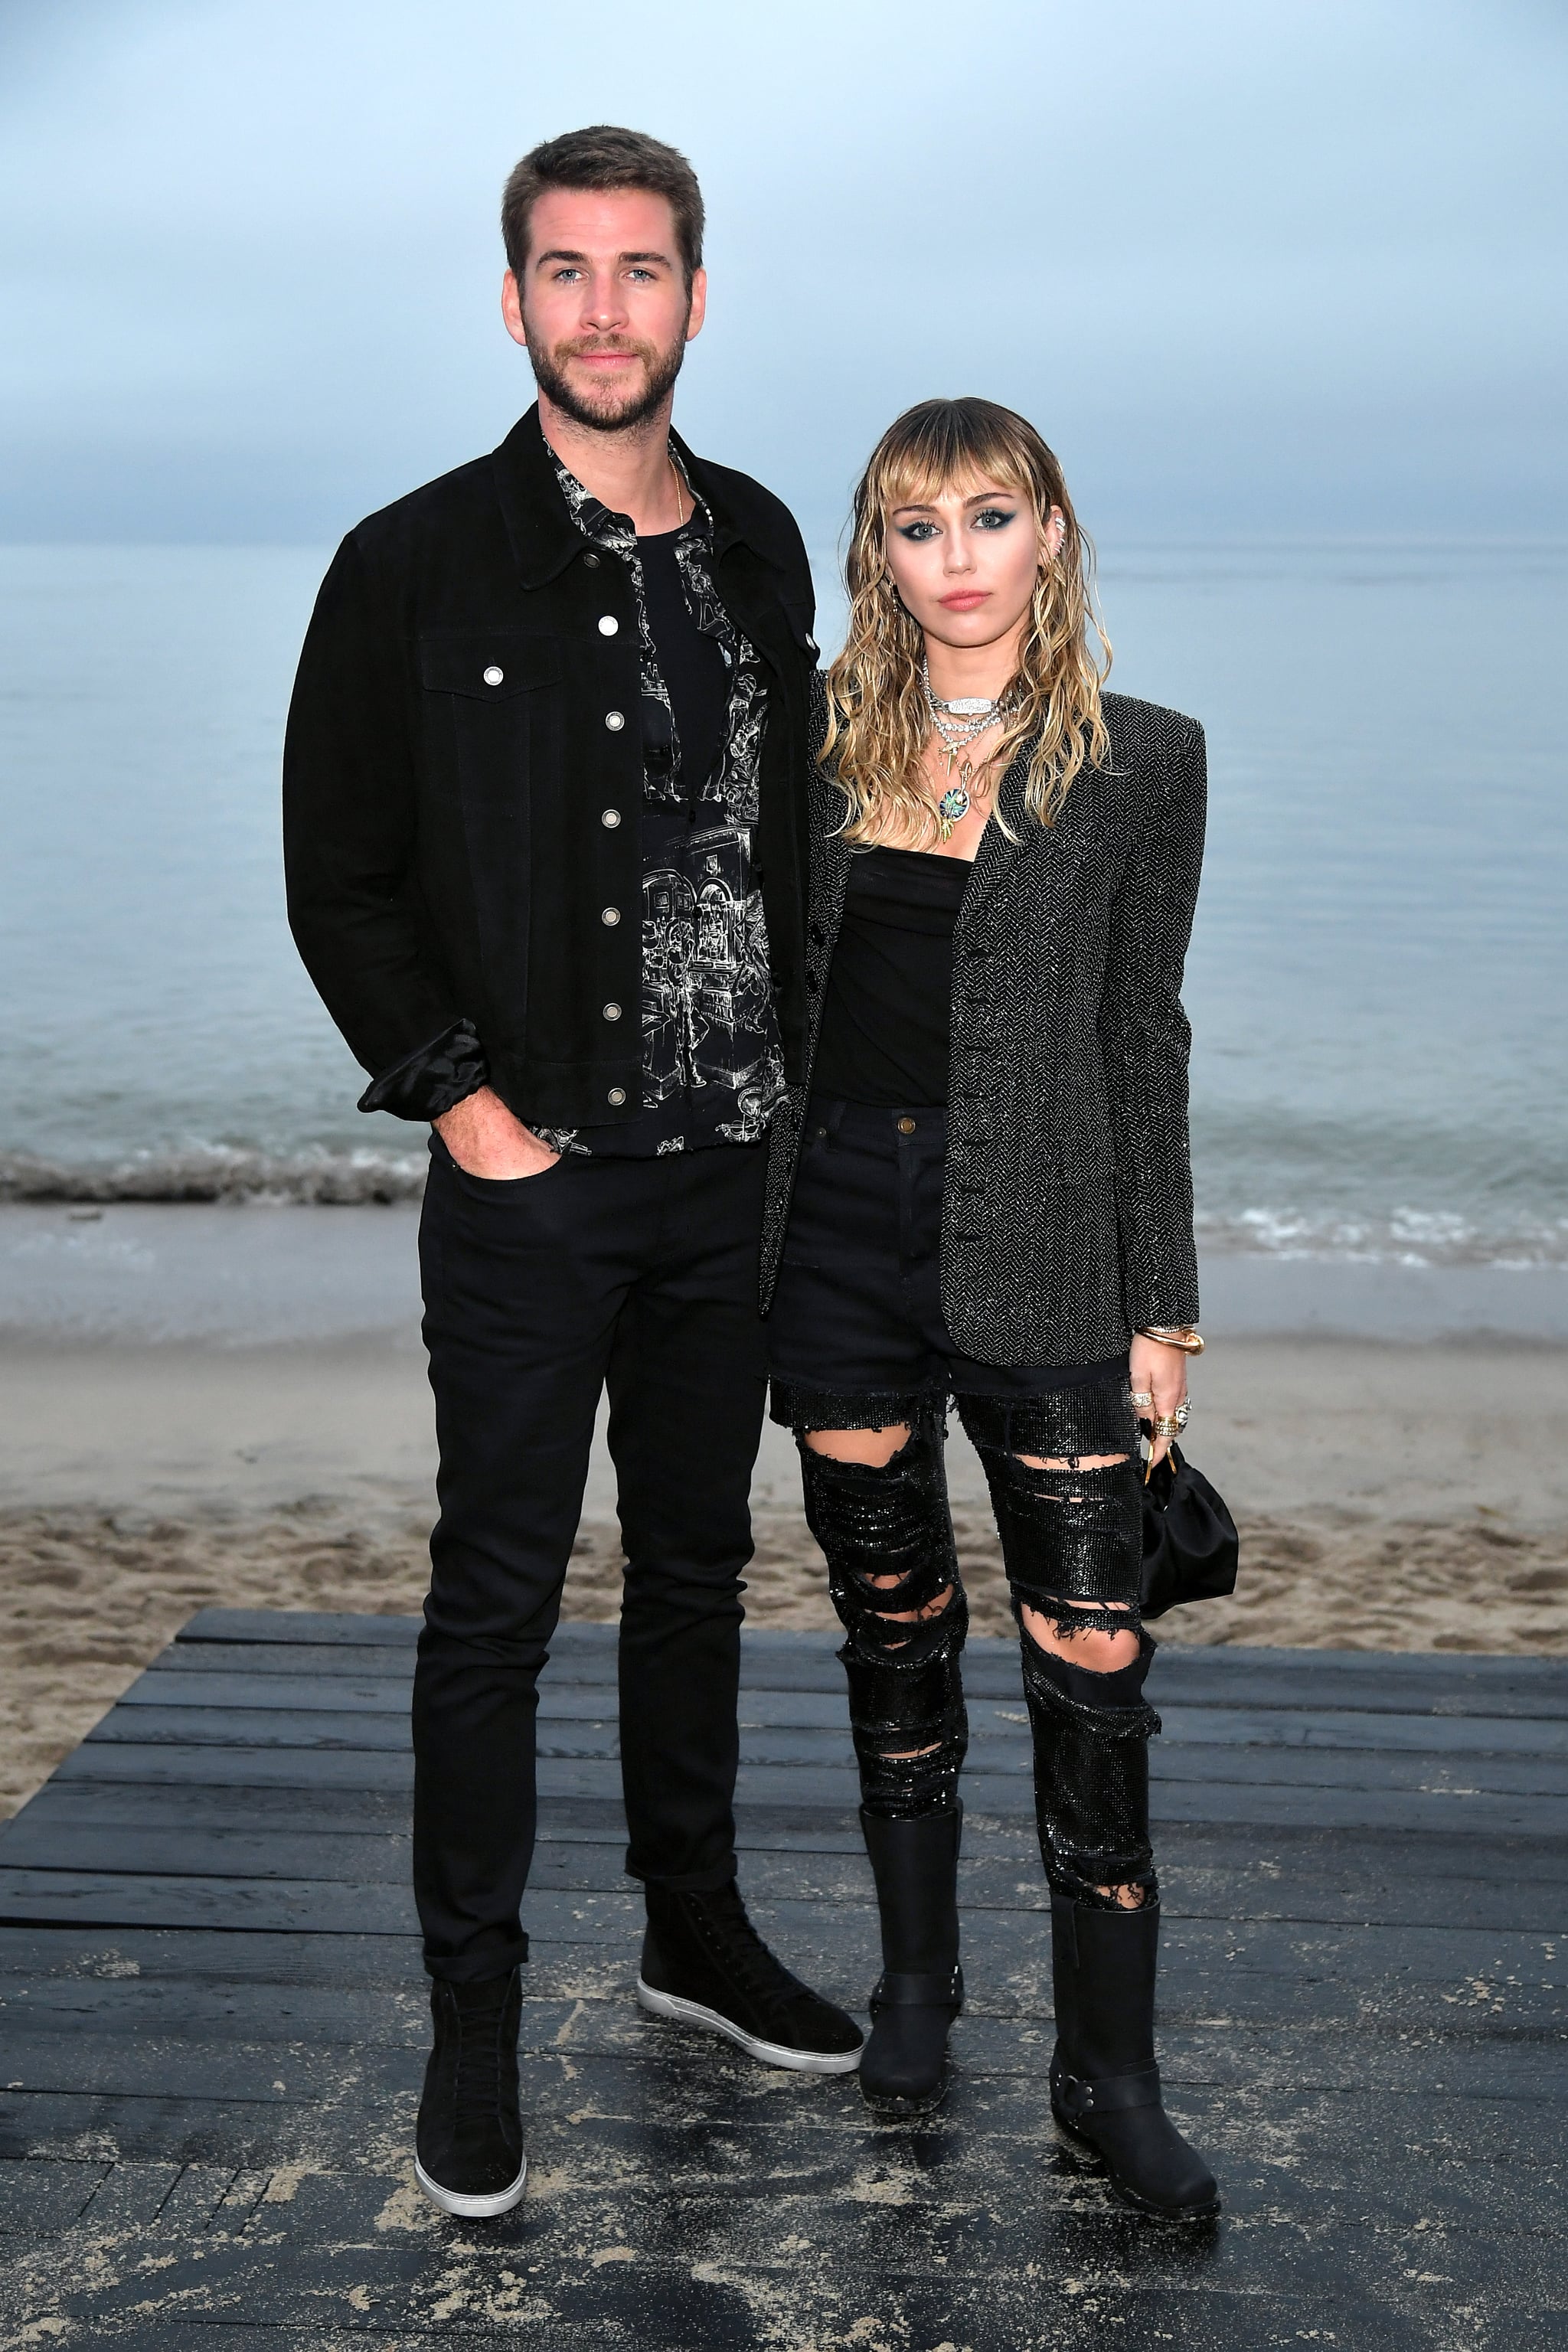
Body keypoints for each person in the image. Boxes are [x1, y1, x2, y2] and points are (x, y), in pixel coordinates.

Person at [283, 126, 862, 2223]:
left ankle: (695, 1936)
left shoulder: (777, 545)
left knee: (700, 1577)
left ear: (697, 299)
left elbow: (801, 839)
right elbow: (339, 877)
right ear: (512, 299)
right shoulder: (411, 562)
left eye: (643, 271)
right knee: (496, 1607)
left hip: (737, 1180)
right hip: (536, 1184)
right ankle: (472, 2026)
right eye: (566, 270)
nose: (605, 309)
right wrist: (468, 1112)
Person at [761, 397, 1219, 2218]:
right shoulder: (804, 743)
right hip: (832, 1250)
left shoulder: (1144, 761)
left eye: (986, 517)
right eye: (911, 525)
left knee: (1091, 1666)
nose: (952, 558)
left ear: (1050, 534)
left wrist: (1161, 1305)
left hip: (1042, 1251)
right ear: (876, 553)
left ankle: (1108, 2081)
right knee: (892, 1626)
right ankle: (917, 1992)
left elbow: (1143, 1040)